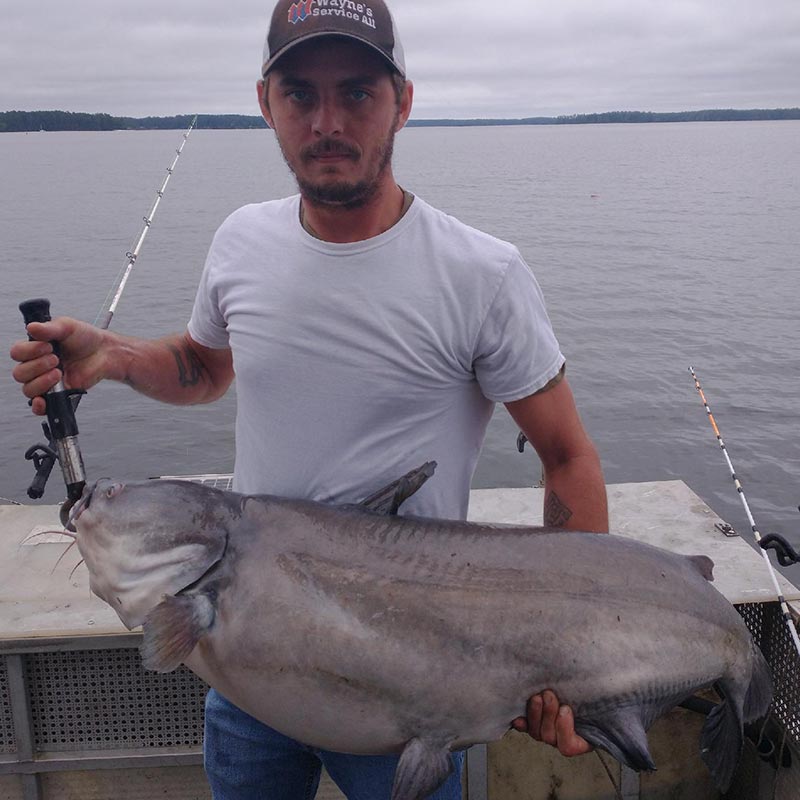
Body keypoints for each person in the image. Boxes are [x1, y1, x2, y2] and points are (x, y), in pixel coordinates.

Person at [11, 0, 608, 797]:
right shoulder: (241, 241)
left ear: (403, 100)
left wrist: (574, 652)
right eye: (300, 94)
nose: (327, 120)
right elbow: (206, 367)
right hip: (246, 673)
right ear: (266, 103)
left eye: (357, 92)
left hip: (417, 689)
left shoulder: (481, 275)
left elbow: (566, 458)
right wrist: (111, 357)